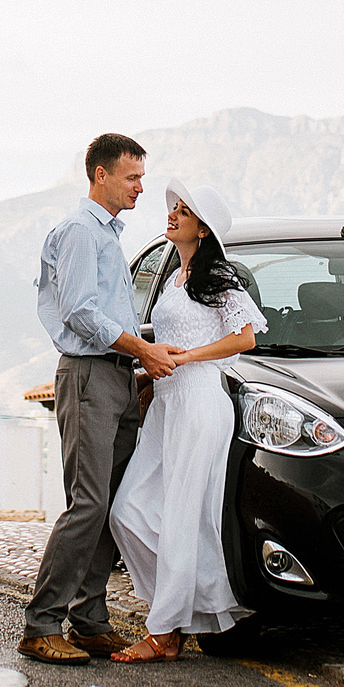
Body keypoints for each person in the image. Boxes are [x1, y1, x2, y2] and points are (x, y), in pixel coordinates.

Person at [19, 134, 181, 666]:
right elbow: (80, 312)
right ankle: (42, 624)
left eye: (141, 177)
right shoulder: (80, 232)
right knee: (88, 502)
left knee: (113, 502)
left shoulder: (107, 235)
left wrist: (137, 366)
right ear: (100, 175)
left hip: (117, 378)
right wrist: (143, 350)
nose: (140, 188)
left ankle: (89, 620)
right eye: (132, 177)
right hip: (88, 376)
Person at [105, 181, 260, 660]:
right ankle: (180, 606)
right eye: (173, 208)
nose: (172, 214)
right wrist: (150, 377)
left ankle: (164, 633)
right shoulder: (174, 275)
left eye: (184, 211)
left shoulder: (220, 278)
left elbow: (245, 338)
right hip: (167, 402)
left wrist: (189, 357)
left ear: (203, 229)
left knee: (181, 516)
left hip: (200, 401)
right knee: (128, 510)